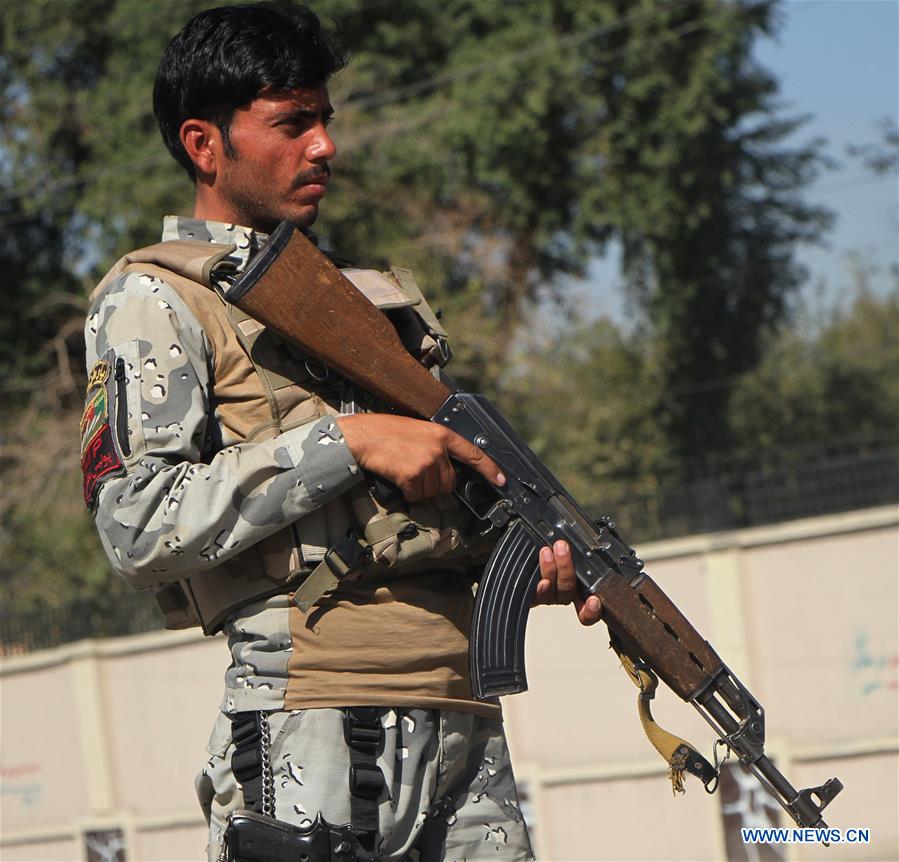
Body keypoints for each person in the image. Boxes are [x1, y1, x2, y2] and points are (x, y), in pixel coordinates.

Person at [80, 3, 602, 860]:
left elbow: (408, 518)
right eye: (292, 122)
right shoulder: (155, 301)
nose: (324, 146)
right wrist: (349, 443)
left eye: (324, 119)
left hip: (462, 719)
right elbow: (135, 526)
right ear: (204, 144)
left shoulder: (358, 304)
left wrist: (516, 553)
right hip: (312, 724)